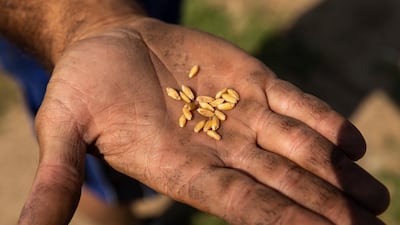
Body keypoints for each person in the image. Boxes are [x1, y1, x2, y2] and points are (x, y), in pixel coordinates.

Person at [0, 1, 390, 225]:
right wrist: (83, 25)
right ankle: (119, 216)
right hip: (40, 21)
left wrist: (114, 18)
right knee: (94, 167)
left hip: (139, 13)